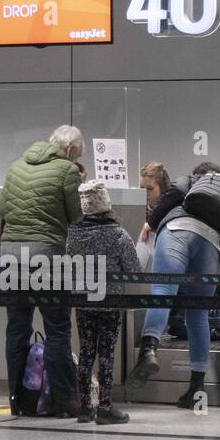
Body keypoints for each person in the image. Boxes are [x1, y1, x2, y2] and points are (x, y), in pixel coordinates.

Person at [127, 161, 220, 408]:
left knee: (163, 291)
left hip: (177, 230)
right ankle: (196, 388)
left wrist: (151, 223)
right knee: (198, 313)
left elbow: (171, 197)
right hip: (210, 244)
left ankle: (148, 351)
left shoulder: (187, 180)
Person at [0, 124, 83, 417]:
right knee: (57, 329)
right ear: (69, 150)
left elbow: (3, 210)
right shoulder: (66, 170)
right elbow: (75, 215)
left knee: (16, 329)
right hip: (47, 254)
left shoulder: (15, 166)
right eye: (76, 155)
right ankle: (64, 403)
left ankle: (17, 401)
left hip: (11, 255)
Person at [66, 180, 140, 424]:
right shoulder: (118, 234)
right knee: (106, 354)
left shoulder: (73, 234)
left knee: (86, 352)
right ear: (107, 206)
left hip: (84, 301)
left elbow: (68, 265)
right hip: (109, 303)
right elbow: (134, 270)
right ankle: (106, 407)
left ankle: (85, 407)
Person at [137, 162, 171, 243]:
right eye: (142, 188)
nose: (145, 193)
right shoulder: (135, 211)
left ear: (163, 188)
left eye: (150, 189)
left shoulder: (170, 212)